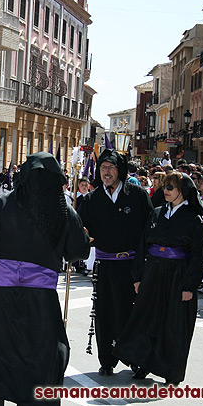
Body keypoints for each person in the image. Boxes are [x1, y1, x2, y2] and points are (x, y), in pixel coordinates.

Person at [0, 152, 90, 406]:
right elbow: (77, 252)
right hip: (39, 303)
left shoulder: (3, 203)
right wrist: (83, 237)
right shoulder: (64, 210)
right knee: (39, 363)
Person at [113, 171, 203, 385]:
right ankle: (141, 363)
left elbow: (199, 255)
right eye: (164, 186)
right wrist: (138, 276)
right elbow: (142, 245)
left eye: (170, 187)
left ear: (182, 192)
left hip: (179, 275)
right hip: (153, 272)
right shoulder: (156, 213)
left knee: (174, 324)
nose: (165, 191)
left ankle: (170, 370)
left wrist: (189, 286)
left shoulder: (193, 218)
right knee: (147, 319)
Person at [77, 149, 153, 376]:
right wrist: (79, 235)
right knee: (105, 312)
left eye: (110, 167)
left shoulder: (137, 195)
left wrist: (143, 268)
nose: (106, 172)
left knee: (133, 313)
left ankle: (137, 359)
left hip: (132, 266)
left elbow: (149, 230)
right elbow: (81, 229)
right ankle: (107, 359)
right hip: (105, 267)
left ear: (119, 170)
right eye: (102, 168)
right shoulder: (91, 199)